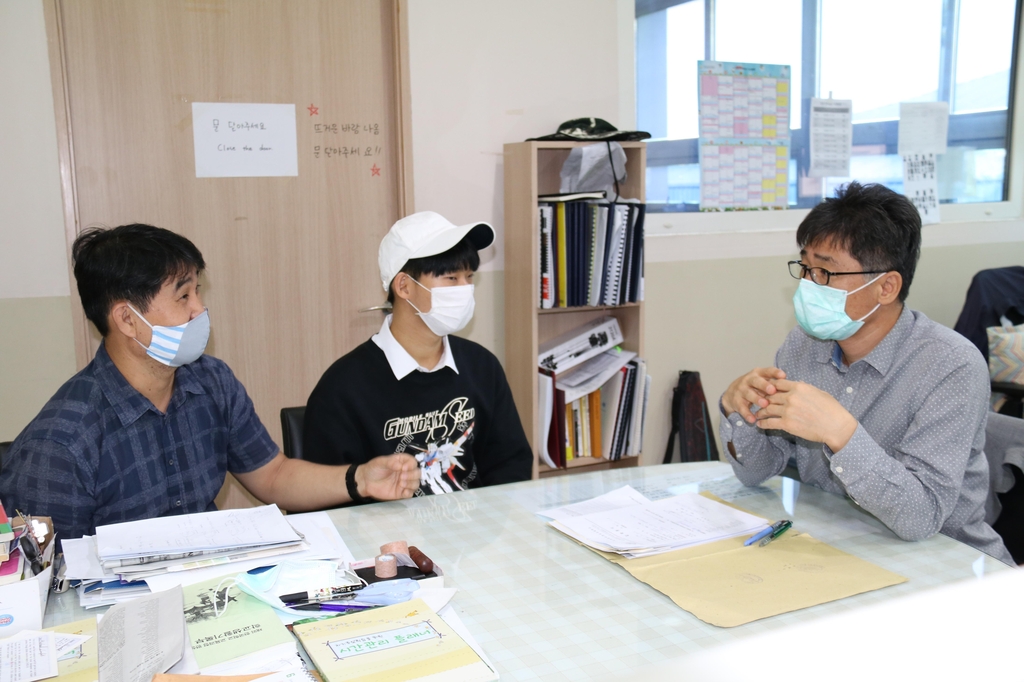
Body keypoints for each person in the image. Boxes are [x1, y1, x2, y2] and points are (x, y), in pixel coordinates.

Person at [0, 224, 420, 541]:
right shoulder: (60, 442)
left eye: (198, 292)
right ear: (127, 319)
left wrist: (360, 479)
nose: (201, 310)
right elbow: (50, 583)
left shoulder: (211, 381)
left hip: (212, 592)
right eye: (183, 297)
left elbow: (272, 476)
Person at [719, 182, 1012, 564]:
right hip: (840, 548)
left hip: (946, 563)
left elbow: (920, 518)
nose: (809, 285)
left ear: (886, 287)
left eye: (826, 272)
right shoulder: (803, 345)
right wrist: (736, 410)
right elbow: (755, 473)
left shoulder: (950, 365)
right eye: (805, 267)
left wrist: (839, 431)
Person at [302, 211, 532, 497]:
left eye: (469, 277)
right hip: (386, 539)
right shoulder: (343, 387)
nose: (465, 290)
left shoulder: (482, 366)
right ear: (404, 286)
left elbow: (511, 465)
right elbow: (328, 495)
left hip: (475, 534)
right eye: (451, 278)